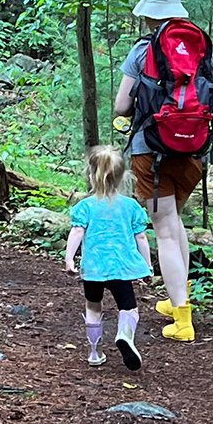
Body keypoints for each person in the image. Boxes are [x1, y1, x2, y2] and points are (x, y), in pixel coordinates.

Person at [113, 0, 213, 343]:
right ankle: (179, 297)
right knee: (175, 226)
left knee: (164, 231)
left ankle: (182, 319)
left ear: (149, 16)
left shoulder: (142, 51)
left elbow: (121, 106)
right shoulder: (205, 49)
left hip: (152, 150)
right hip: (194, 151)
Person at [64, 145, 151, 370]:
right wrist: (147, 266)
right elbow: (141, 238)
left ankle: (95, 352)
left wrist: (69, 258)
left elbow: (77, 232)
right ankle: (124, 335)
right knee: (128, 308)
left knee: (93, 307)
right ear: (122, 177)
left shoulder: (85, 207)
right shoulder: (131, 207)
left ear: (92, 176)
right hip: (121, 269)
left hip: (93, 269)